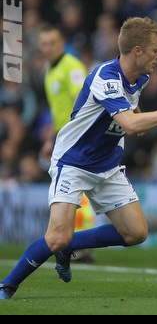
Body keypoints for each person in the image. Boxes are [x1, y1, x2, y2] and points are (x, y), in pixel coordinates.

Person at [0, 16, 157, 300]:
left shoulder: (140, 78)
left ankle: (70, 247)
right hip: (73, 161)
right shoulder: (104, 77)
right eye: (156, 49)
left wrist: (138, 116)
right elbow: (130, 125)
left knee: (136, 234)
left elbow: (131, 112)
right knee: (57, 236)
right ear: (137, 51)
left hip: (107, 164)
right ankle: (7, 285)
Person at [38, 23, 96, 263]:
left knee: (75, 189)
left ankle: (78, 243)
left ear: (62, 43)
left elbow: (80, 100)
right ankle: (74, 242)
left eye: (52, 43)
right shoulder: (50, 69)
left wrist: (71, 134)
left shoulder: (71, 66)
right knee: (75, 190)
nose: (48, 48)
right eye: (43, 44)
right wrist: (52, 136)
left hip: (77, 134)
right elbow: (60, 109)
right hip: (64, 135)